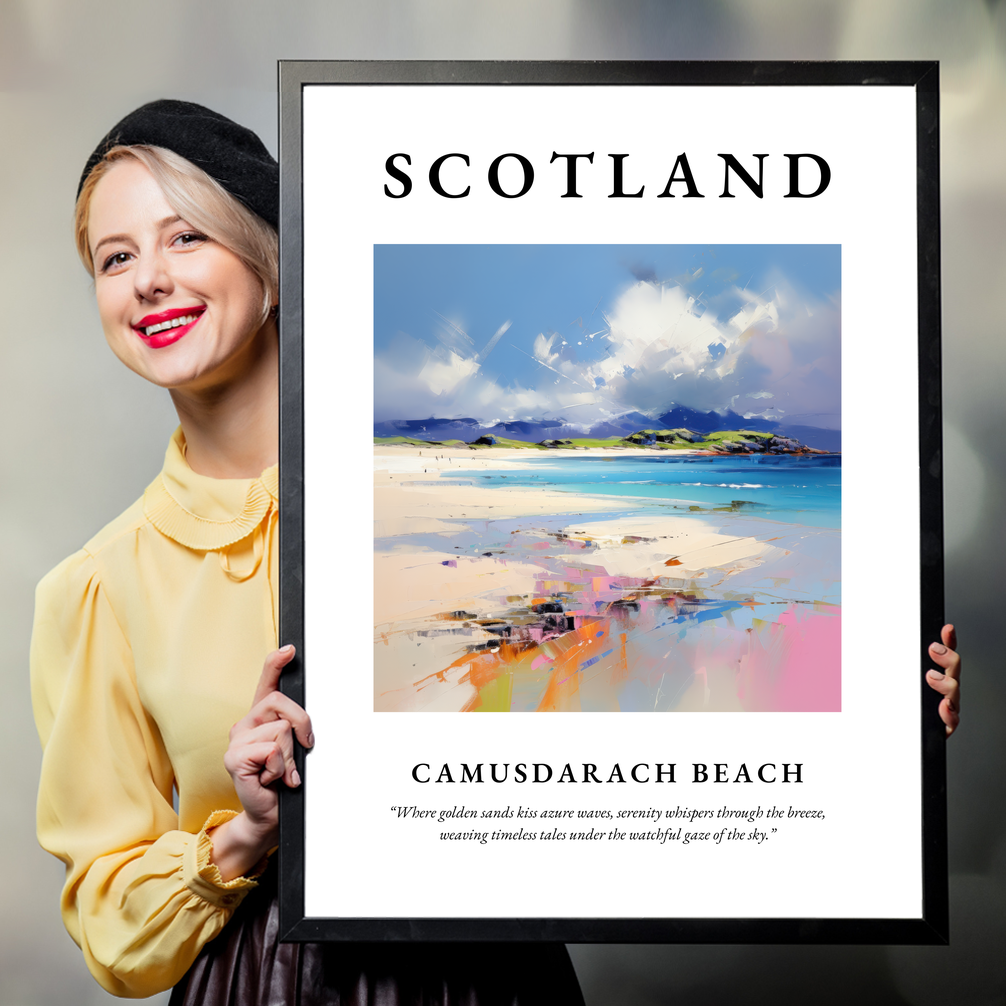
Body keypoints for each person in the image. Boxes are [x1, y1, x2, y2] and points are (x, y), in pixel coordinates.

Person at [30, 100, 586, 1004]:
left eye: (185, 239)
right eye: (116, 257)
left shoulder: (458, 501)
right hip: (262, 982)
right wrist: (245, 832)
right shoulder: (97, 587)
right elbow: (110, 923)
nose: (148, 281)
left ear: (273, 263)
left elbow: (613, 704)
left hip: (492, 973)